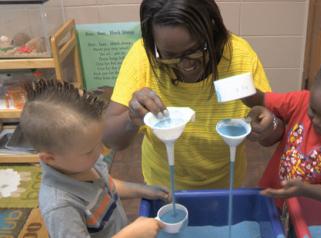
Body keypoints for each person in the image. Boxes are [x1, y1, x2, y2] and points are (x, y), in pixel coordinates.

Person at [103, 0, 272, 189]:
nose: (186, 65)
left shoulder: (240, 58)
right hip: (163, 186)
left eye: (196, 51)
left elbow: (272, 132)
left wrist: (268, 126)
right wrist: (131, 118)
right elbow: (110, 138)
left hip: (225, 185)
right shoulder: (143, 57)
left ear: (213, 32)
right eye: (169, 55)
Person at [20, 80, 169, 238]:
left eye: (99, 142)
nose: (100, 152)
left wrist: (143, 190)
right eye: (89, 150)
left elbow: (106, 185)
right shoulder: (60, 206)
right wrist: (131, 234)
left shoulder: (82, 163)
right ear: (50, 158)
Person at [244, 56, 321, 203]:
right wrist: (243, 91)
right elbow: (263, 99)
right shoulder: (302, 100)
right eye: (313, 110)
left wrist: (304, 190)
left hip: (307, 207)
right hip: (272, 192)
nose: (317, 121)